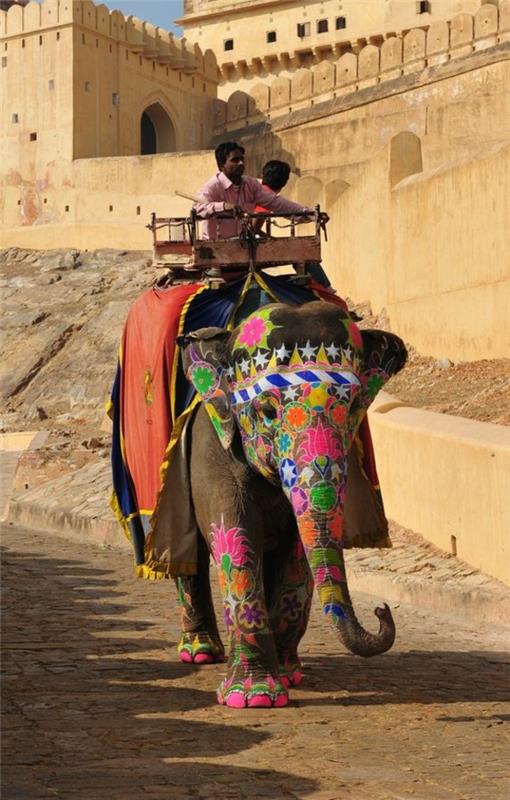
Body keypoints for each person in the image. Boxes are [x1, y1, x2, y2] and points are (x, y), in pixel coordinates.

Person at [194, 142, 313, 240]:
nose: (241, 163)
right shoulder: (212, 187)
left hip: (244, 246)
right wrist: (223, 206)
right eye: (235, 160)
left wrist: (310, 214)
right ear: (221, 165)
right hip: (215, 249)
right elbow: (198, 207)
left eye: (242, 159)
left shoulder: (250, 185)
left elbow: (276, 202)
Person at [254, 159, 334, 292]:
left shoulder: (257, 190)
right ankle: (326, 289)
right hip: (246, 243)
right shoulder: (266, 196)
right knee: (301, 250)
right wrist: (271, 239)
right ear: (285, 182)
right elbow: (254, 227)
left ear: (263, 176)